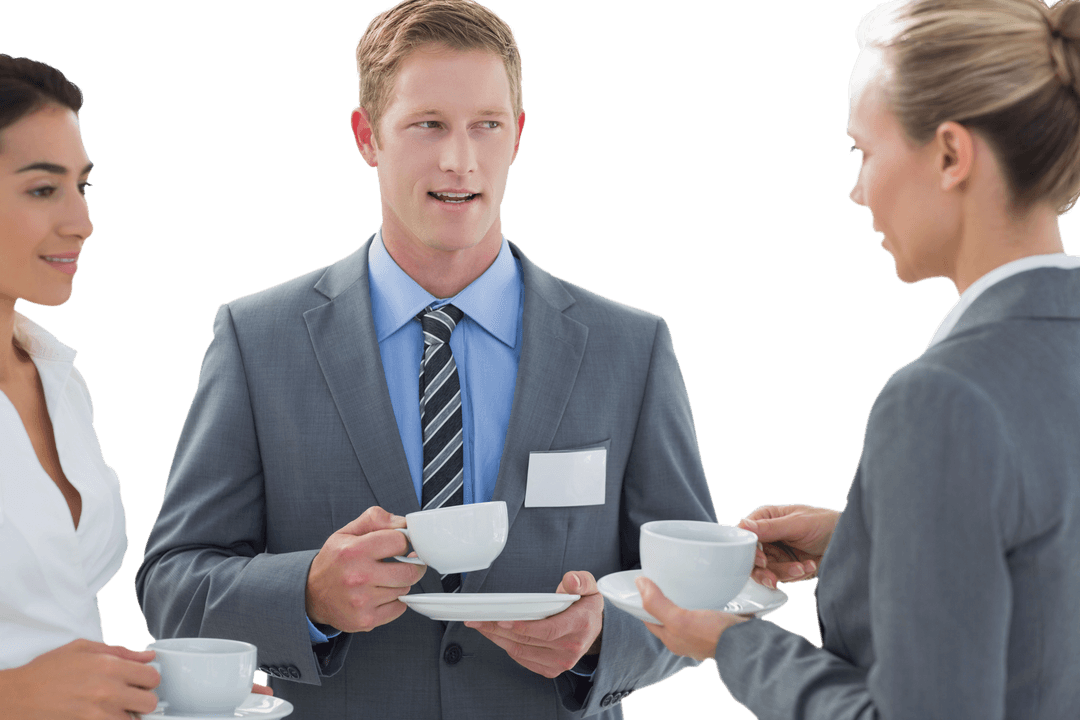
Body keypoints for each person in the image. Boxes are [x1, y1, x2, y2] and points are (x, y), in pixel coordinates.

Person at [135, 0, 717, 717]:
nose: (459, 159)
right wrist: (308, 594)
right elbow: (171, 586)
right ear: (367, 136)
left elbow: (691, 591)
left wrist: (603, 636)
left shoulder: (631, 347)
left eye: (486, 125)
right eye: (428, 124)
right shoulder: (259, 341)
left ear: (518, 136)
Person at [636, 0, 1080, 717]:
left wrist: (728, 643)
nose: (857, 189)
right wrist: (871, 536)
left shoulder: (942, 397)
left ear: (949, 154)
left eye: (863, 152)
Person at [0, 53, 162, 720]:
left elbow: (57, 629)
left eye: (82, 187)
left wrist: (149, 691)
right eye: (43, 190)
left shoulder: (59, 378)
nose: (82, 222)